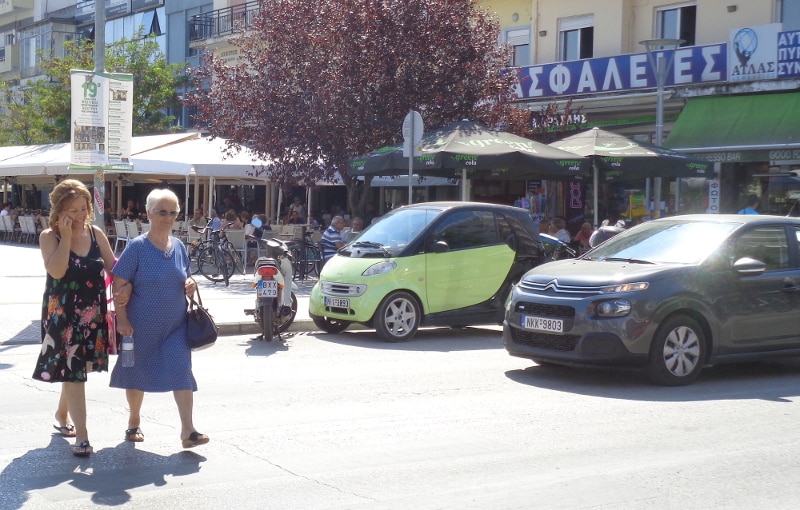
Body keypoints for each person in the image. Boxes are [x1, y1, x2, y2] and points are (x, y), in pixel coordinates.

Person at [110, 189, 209, 449]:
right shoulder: (137, 248)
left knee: (182, 370)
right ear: (149, 213)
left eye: (173, 212)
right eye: (162, 212)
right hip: (139, 326)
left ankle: (188, 430)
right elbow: (118, 285)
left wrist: (190, 283)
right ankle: (134, 421)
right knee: (136, 374)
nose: (168, 217)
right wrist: (121, 320)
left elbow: (187, 275)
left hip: (175, 327)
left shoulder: (178, 246)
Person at [33, 179, 116, 457]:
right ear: (58, 211)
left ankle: (61, 412)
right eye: (73, 210)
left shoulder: (96, 233)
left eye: (84, 208)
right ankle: (82, 436)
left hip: (92, 313)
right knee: (74, 371)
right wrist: (66, 237)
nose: (80, 216)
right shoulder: (49, 236)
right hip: (63, 315)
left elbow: (114, 268)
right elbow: (56, 271)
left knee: (77, 370)